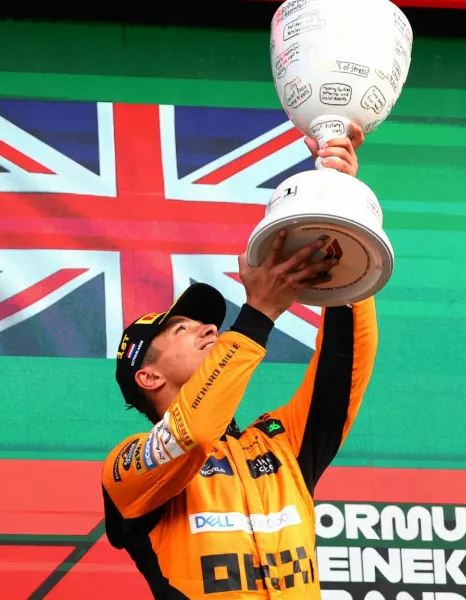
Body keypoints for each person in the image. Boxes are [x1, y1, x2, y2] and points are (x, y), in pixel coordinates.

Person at [102, 124, 377, 599]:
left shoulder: (279, 444)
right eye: (182, 330)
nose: (211, 329)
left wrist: (340, 215)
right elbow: (194, 435)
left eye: (209, 324)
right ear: (148, 376)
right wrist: (260, 314)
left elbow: (344, 364)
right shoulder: (125, 471)